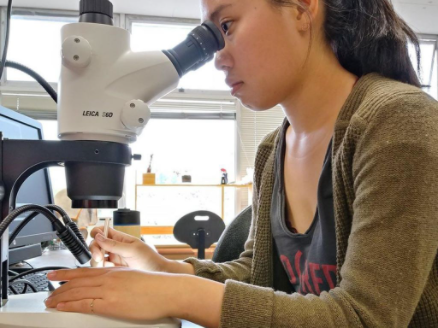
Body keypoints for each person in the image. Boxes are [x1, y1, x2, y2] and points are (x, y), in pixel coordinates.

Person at [45, 0, 438, 327]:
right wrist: (161, 268)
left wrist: (177, 293)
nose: (217, 59)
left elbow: (364, 318)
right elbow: (259, 272)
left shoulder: (396, 121)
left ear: (302, 9)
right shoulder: (273, 149)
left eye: (227, 26)